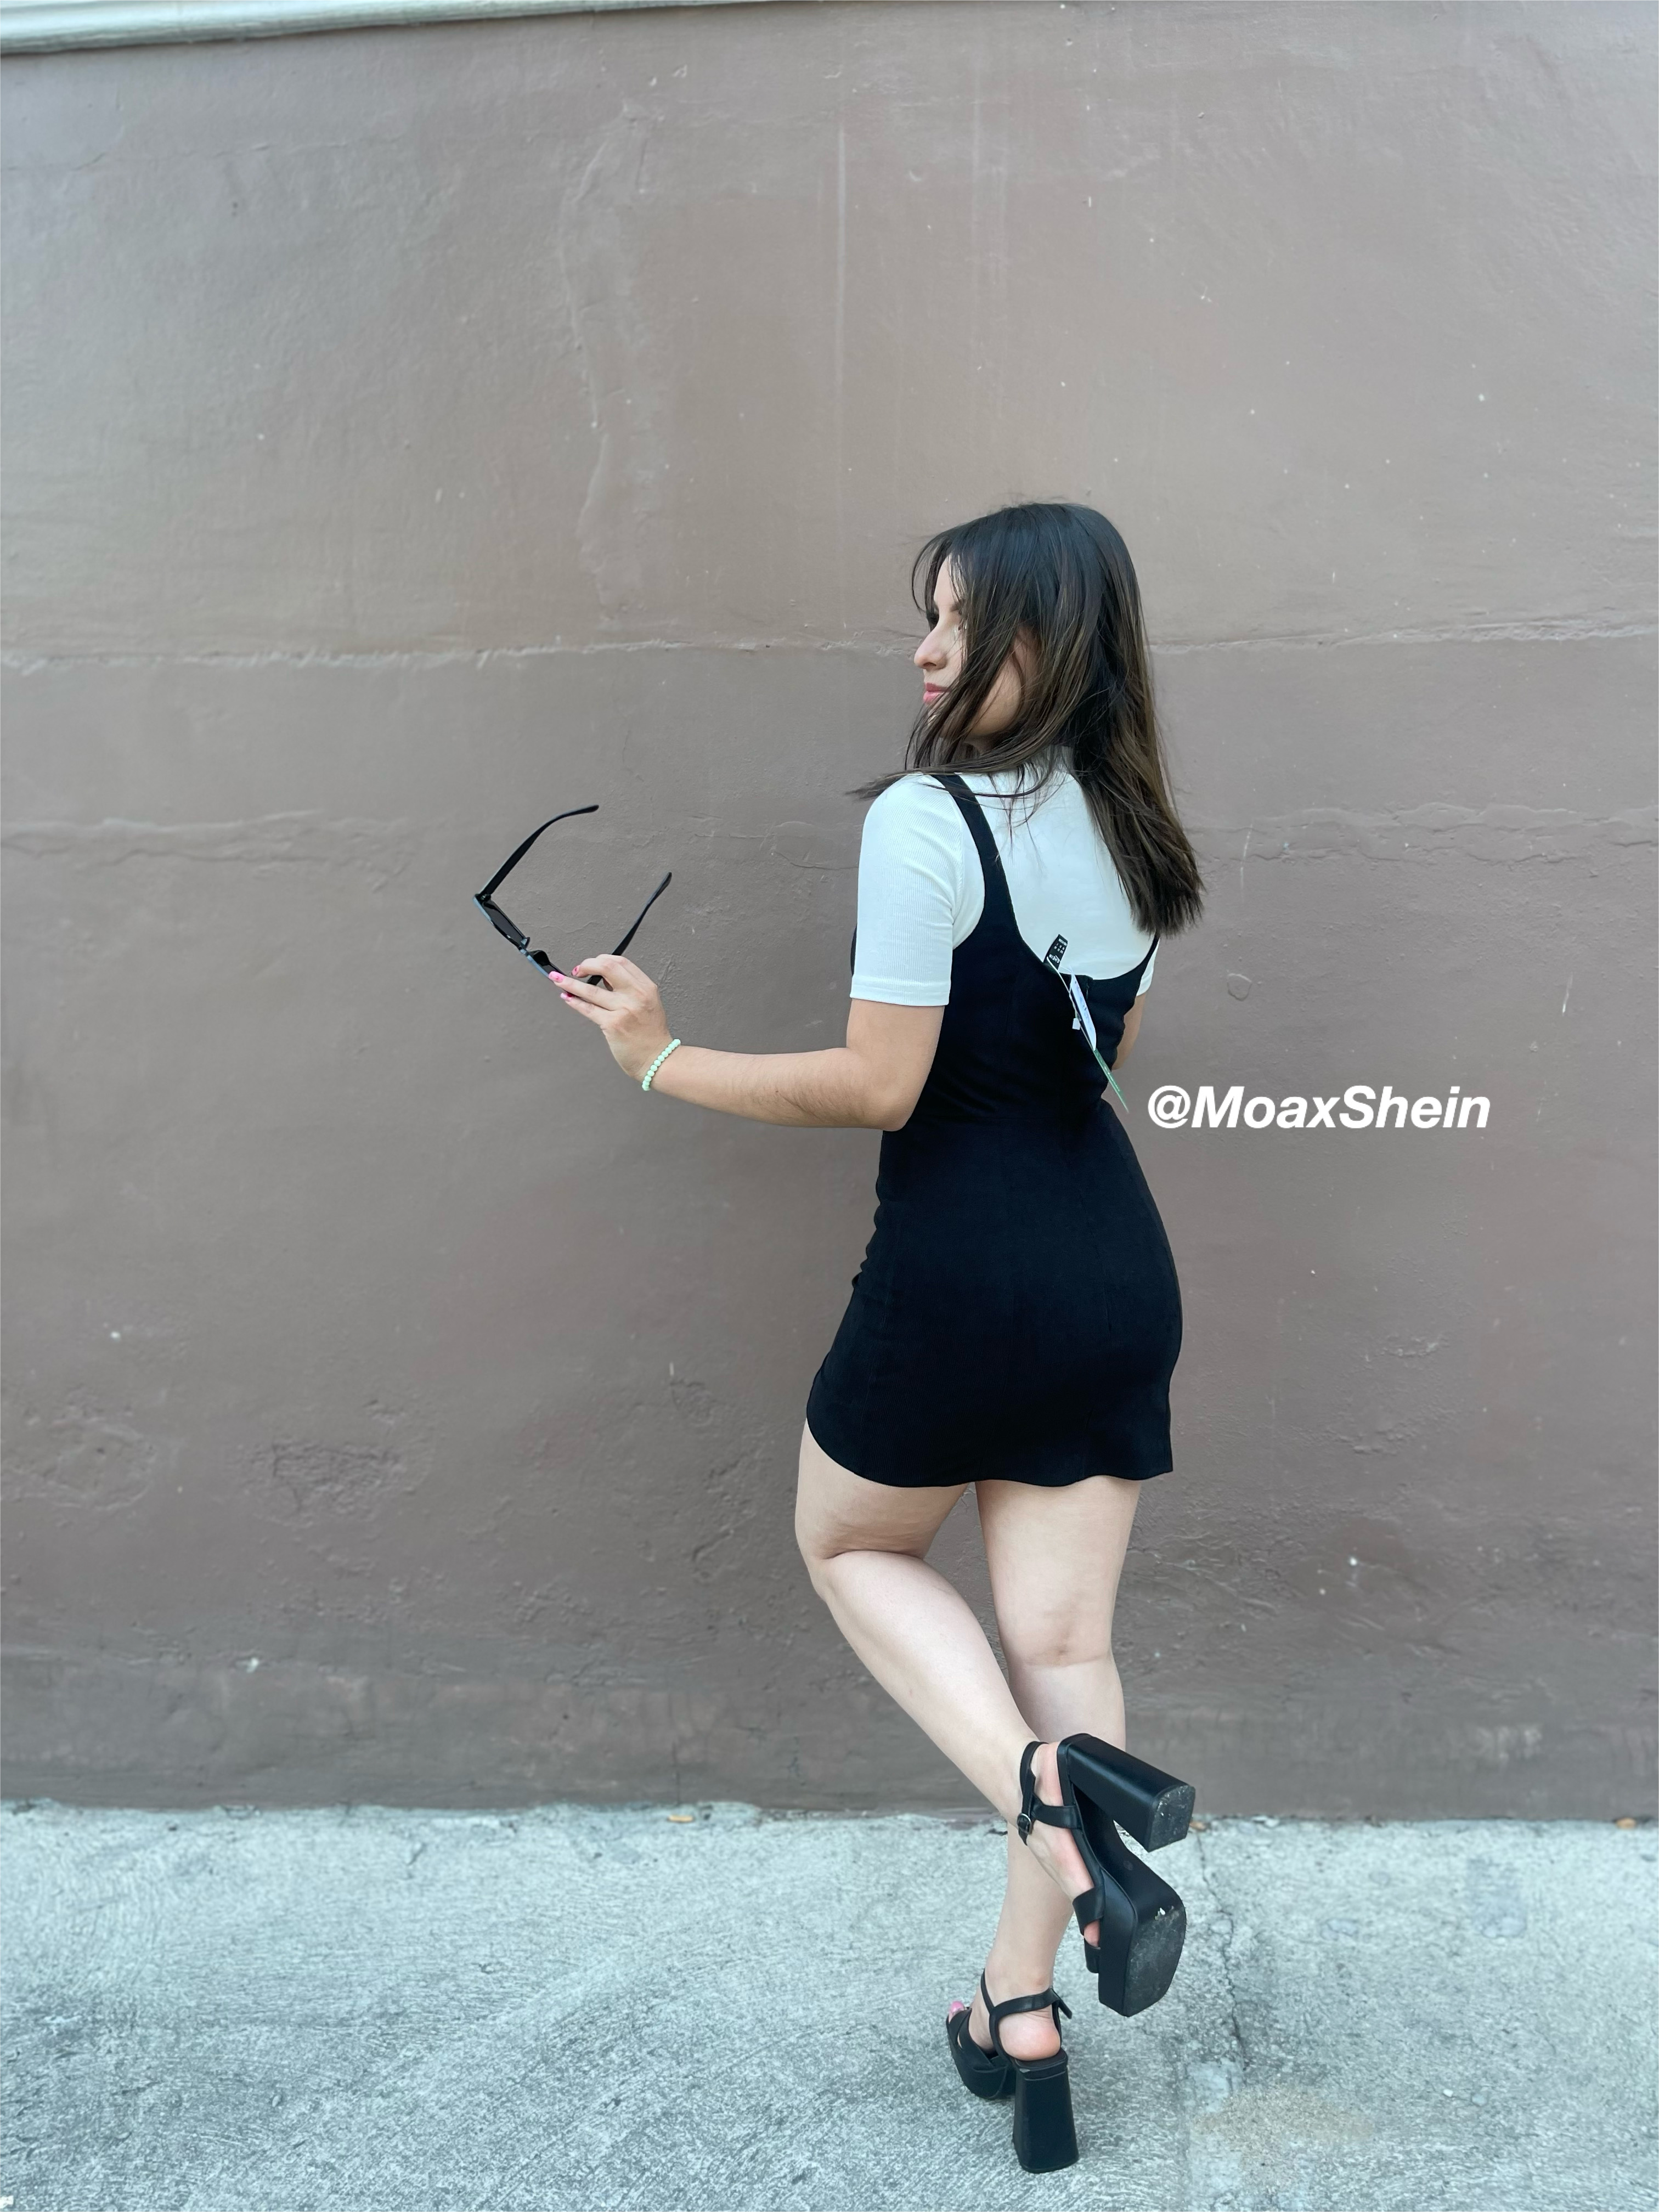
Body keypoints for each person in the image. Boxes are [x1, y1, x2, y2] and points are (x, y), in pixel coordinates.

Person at [551, 500, 1206, 2174]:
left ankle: (1046, 1800)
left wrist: (659, 1057)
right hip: (1112, 1272)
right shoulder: (1137, 832)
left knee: (847, 1545)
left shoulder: (928, 819)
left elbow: (883, 1084)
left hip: (959, 1276)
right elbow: (1086, 1063)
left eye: (960, 619)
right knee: (1064, 1647)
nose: (925, 649)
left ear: (1048, 639)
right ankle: (1021, 2009)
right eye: (928, 617)